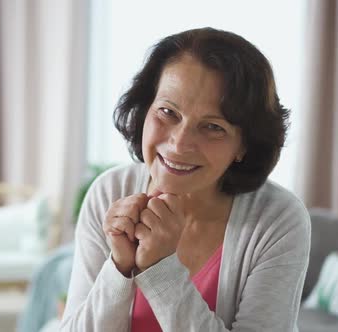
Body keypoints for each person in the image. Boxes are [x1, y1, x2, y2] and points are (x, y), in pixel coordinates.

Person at [60, 27, 311, 332]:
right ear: (145, 108)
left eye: (213, 127)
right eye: (168, 112)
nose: (179, 144)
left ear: (244, 145)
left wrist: (160, 268)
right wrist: (119, 268)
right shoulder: (109, 192)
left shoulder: (277, 219)